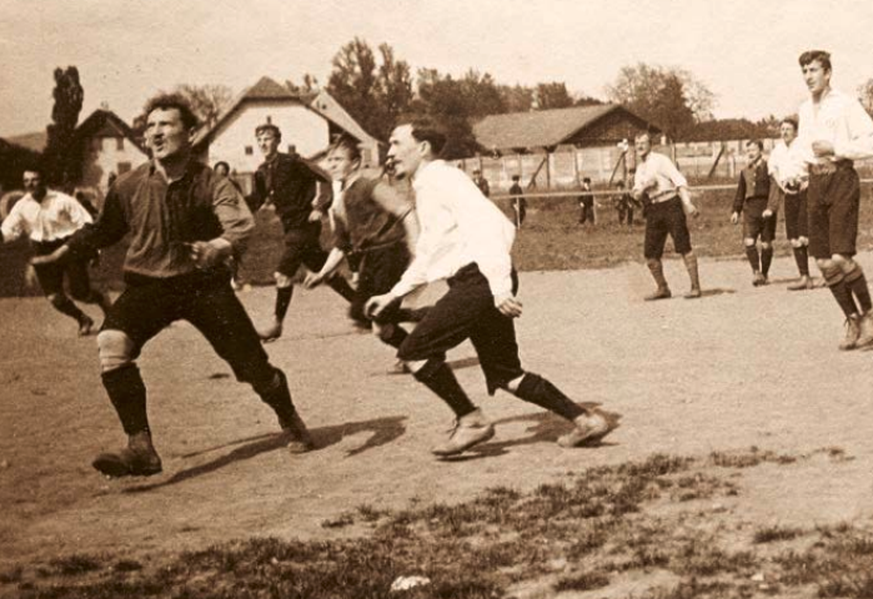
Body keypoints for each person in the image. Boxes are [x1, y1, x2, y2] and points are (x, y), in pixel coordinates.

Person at [31, 94, 313, 477]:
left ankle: (289, 416)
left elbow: (242, 225)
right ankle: (140, 447)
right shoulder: (127, 185)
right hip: (149, 285)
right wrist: (56, 257)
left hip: (204, 288)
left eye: (166, 124)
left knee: (252, 368)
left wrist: (218, 246)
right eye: (150, 126)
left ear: (191, 133)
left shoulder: (212, 182)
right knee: (111, 345)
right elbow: (101, 231)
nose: (155, 132)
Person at [366, 118, 613, 457]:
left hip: (481, 279)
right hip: (480, 279)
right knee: (505, 373)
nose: (389, 152)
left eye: (395, 143)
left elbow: (489, 227)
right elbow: (430, 253)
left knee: (414, 351)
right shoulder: (426, 184)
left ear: (422, 148)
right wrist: (394, 294)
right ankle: (586, 420)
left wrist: (498, 288)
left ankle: (471, 420)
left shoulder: (442, 179)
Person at [303, 136, 421, 363]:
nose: (332, 164)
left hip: (390, 252)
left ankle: (420, 337)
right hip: (372, 259)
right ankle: (418, 339)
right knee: (364, 316)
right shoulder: (338, 203)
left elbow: (405, 210)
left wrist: (416, 248)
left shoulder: (368, 185)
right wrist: (322, 273)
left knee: (377, 313)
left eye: (338, 159)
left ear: (355, 163)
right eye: (330, 160)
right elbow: (341, 245)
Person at [246, 124, 356, 341]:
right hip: (290, 228)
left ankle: (276, 324)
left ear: (278, 140)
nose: (263, 143)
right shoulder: (261, 171)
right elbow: (256, 201)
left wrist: (320, 207)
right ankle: (363, 306)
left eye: (267, 138)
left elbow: (325, 178)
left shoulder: (293, 162)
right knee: (325, 271)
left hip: (304, 226)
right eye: (259, 139)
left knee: (282, 275)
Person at [794, 50, 873, 350]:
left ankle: (869, 315)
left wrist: (835, 146)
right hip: (816, 183)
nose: (808, 76)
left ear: (827, 73)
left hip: (841, 178)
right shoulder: (804, 110)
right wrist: (799, 170)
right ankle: (852, 319)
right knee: (824, 262)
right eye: (804, 71)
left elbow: (870, 141)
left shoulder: (845, 104)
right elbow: (803, 147)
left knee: (841, 256)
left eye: (813, 70)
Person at [1, 165, 111, 336]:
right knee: (55, 298)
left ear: (43, 180)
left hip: (69, 247)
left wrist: (92, 249)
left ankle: (105, 304)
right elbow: (9, 229)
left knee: (81, 293)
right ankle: (82, 319)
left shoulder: (62, 200)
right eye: (26, 181)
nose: (30, 184)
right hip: (42, 250)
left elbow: (86, 222)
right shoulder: (22, 206)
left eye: (34, 179)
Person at [632, 132, 702, 300]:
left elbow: (679, 181)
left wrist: (688, 203)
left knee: (683, 245)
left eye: (643, 142)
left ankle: (695, 287)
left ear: (650, 144)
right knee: (650, 254)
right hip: (654, 209)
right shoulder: (640, 168)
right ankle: (663, 288)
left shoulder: (660, 160)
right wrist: (644, 188)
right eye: (637, 143)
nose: (640, 146)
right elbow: (635, 194)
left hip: (670, 203)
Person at [764, 117, 814, 290]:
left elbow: (816, 166)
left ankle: (829, 272)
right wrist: (782, 186)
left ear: (795, 131)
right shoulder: (777, 150)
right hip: (789, 194)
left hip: (805, 192)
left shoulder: (804, 146)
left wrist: (808, 182)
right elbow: (772, 170)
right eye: (782, 129)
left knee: (805, 236)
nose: (784, 132)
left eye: (788, 129)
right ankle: (804, 277)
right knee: (793, 237)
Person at [730, 140, 776, 286]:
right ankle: (756, 272)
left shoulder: (770, 168)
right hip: (750, 209)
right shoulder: (745, 171)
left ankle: (765, 274)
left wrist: (771, 208)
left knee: (766, 244)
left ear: (761, 150)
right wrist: (736, 210)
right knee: (749, 241)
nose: (750, 153)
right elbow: (740, 192)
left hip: (766, 208)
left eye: (753, 150)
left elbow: (775, 190)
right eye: (748, 150)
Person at [214, 161, 246, 290]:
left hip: (231, 221)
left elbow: (240, 202)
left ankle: (234, 278)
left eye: (223, 173)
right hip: (216, 221)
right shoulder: (211, 186)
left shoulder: (233, 185)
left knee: (232, 251)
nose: (221, 176)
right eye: (218, 173)